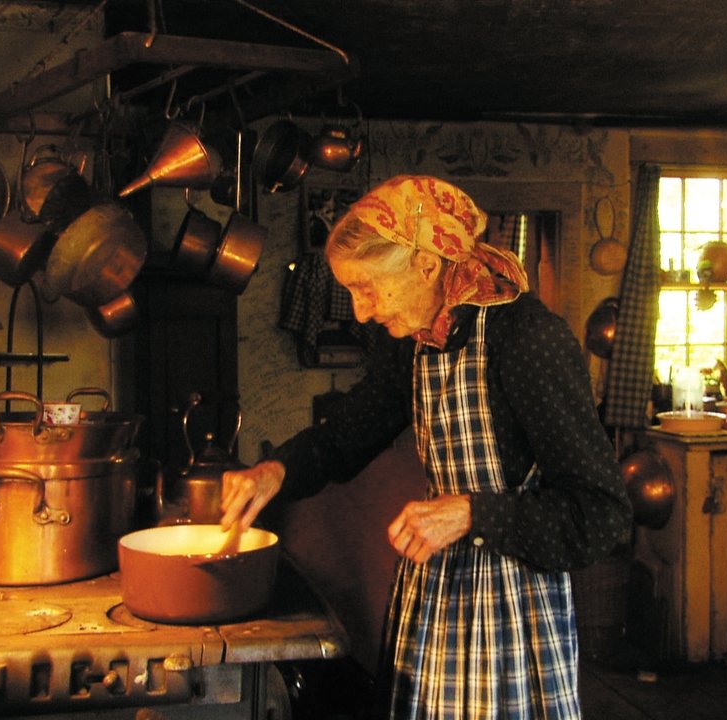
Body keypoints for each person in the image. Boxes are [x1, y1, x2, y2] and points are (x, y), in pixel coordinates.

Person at [222, 175, 632, 719]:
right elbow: (346, 435)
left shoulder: (528, 341)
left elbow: (602, 515)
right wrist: (275, 471)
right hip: (435, 600)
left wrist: (471, 512)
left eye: (368, 288)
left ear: (427, 265)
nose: (362, 311)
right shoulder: (415, 342)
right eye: (351, 291)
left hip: (512, 618)